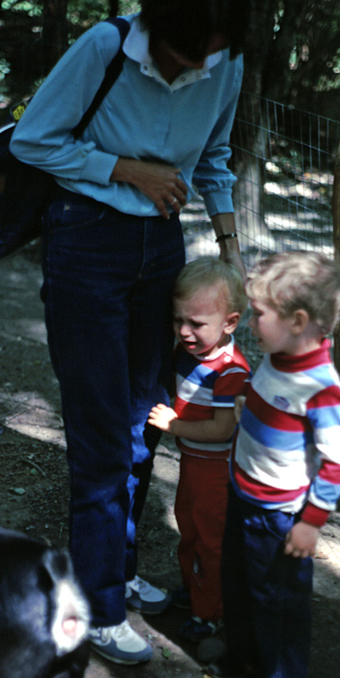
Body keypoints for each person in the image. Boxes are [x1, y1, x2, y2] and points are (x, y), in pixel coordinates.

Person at [10, 0, 250, 666]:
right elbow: (33, 139)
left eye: (211, 52)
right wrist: (123, 169)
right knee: (100, 433)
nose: (195, 67)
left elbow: (216, 160)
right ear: (159, 24)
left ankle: (112, 569)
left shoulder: (225, 60)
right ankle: (96, 606)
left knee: (146, 420)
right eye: (184, 52)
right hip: (86, 238)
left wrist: (231, 250)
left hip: (162, 251)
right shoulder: (105, 45)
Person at [207, 251, 340, 678]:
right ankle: (243, 654)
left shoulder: (320, 386)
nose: (250, 321)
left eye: (258, 313)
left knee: (278, 600)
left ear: (298, 321)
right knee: (238, 582)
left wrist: (310, 523)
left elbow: (338, 460)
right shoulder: (277, 355)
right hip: (244, 494)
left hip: (279, 516)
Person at [148, 257, 250, 641]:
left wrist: (174, 425)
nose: (185, 332)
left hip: (217, 472)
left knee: (212, 540)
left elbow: (223, 429)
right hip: (192, 463)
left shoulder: (230, 372)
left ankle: (213, 613)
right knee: (188, 528)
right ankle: (193, 593)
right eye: (179, 321)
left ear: (230, 323)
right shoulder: (187, 355)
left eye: (197, 324)